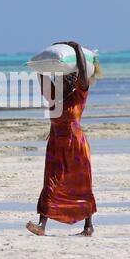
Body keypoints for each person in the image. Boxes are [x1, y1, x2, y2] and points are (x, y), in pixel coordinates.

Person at [26, 41, 101, 237]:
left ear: (73, 80)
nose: (62, 81)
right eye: (60, 78)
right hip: (56, 145)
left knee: (81, 183)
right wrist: (40, 63)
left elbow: (84, 74)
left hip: (76, 146)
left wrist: (76, 48)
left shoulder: (79, 95)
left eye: (67, 78)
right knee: (50, 183)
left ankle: (88, 226)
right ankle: (41, 226)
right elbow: (41, 75)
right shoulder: (53, 97)